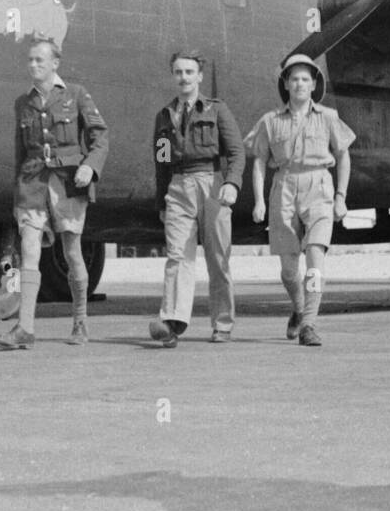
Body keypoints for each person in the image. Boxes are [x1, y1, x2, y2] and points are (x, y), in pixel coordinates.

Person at [0, 37, 109, 349]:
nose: (33, 65)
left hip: (68, 182)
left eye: (39, 60)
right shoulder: (23, 103)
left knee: (72, 250)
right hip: (32, 184)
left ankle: (80, 320)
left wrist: (91, 166)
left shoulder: (76, 95)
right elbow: (20, 153)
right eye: (30, 60)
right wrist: (17, 195)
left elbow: (100, 137)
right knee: (29, 249)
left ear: (55, 63)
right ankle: (25, 328)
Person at [246, 53, 355, 348]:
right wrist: (259, 201)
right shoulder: (270, 121)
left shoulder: (329, 117)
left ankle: (309, 323)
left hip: (319, 186)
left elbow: (343, 155)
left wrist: (341, 197)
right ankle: (297, 306)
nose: (299, 84)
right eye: (294, 78)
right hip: (283, 187)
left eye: (305, 78)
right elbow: (259, 161)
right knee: (288, 268)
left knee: (315, 259)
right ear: (286, 83)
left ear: (313, 83)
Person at [149, 51, 245, 346]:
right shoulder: (164, 117)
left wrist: (232, 184)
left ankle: (223, 323)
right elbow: (162, 160)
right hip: (178, 187)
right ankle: (172, 322)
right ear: (173, 76)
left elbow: (237, 152)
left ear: (199, 76)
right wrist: (162, 200)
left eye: (189, 72)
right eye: (178, 72)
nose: (184, 78)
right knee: (177, 256)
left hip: (211, 182)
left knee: (217, 258)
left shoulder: (217, 111)